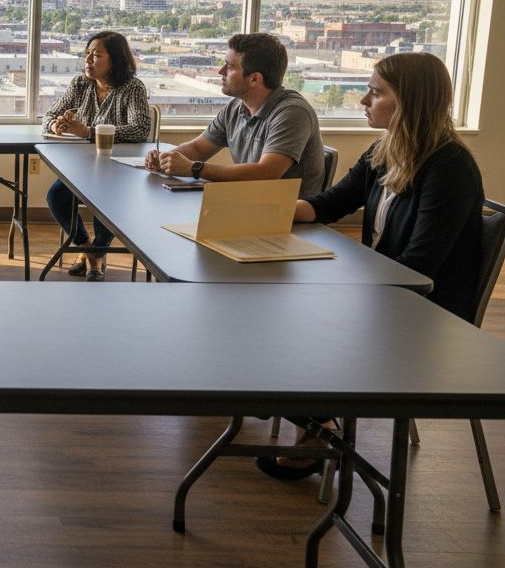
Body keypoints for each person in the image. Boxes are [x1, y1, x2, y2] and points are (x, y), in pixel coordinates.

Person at [255, 51, 484, 480]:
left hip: (423, 316)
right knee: (257, 319)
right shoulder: (384, 150)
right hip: (382, 296)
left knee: (279, 328)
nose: (363, 101)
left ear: (410, 103)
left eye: (375, 93)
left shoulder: (450, 167)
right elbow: (330, 204)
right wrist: (257, 215)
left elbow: (418, 267)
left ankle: (318, 429)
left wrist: (339, 285)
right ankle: (319, 424)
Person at [145, 32, 325, 196]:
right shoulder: (235, 107)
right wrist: (165, 159)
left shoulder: (292, 113)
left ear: (254, 79)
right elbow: (198, 148)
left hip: (287, 217)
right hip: (247, 202)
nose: (221, 72)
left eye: (229, 67)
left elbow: (266, 173)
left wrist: (195, 169)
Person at [43, 31, 152, 281]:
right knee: (56, 195)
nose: (89, 60)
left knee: (104, 199)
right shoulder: (80, 84)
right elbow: (48, 116)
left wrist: (88, 131)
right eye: (87, 54)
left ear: (115, 60)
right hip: (82, 167)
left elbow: (140, 129)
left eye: (97, 55)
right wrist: (55, 126)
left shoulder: (132, 88)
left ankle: (97, 253)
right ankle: (87, 248)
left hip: (120, 169)